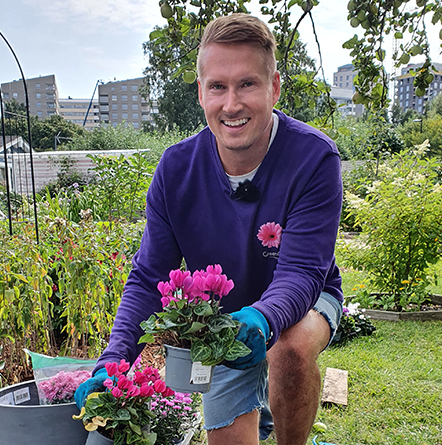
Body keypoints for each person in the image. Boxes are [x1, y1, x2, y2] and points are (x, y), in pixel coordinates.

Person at [75, 13, 343, 445]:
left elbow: (302, 272)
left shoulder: (313, 158)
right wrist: (114, 361)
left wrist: (262, 317)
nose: (231, 104)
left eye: (247, 84)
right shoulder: (176, 169)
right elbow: (149, 276)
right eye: (218, 86)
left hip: (307, 298)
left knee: (289, 348)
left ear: (274, 87)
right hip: (224, 321)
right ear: (201, 93)